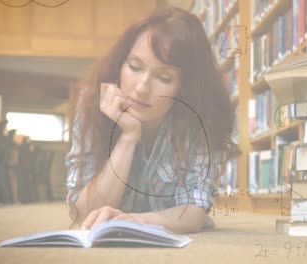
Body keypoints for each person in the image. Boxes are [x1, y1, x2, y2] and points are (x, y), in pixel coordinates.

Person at [65, 6, 234, 234]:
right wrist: (128, 137)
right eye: (134, 67)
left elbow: (193, 210)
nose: (142, 87)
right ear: (120, 65)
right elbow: (85, 214)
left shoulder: (200, 118)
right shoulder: (92, 104)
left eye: (163, 77)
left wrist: (136, 221)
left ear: (184, 88)